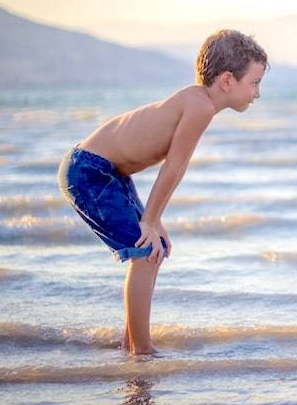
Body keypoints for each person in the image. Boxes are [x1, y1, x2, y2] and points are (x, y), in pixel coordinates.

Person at [57, 29, 267, 354]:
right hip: (88, 171)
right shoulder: (200, 106)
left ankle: (131, 341)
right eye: (254, 83)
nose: (257, 93)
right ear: (227, 80)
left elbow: (168, 167)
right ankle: (141, 350)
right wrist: (149, 221)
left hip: (108, 172)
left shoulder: (198, 101)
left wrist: (155, 223)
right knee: (143, 251)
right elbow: (175, 167)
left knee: (157, 247)